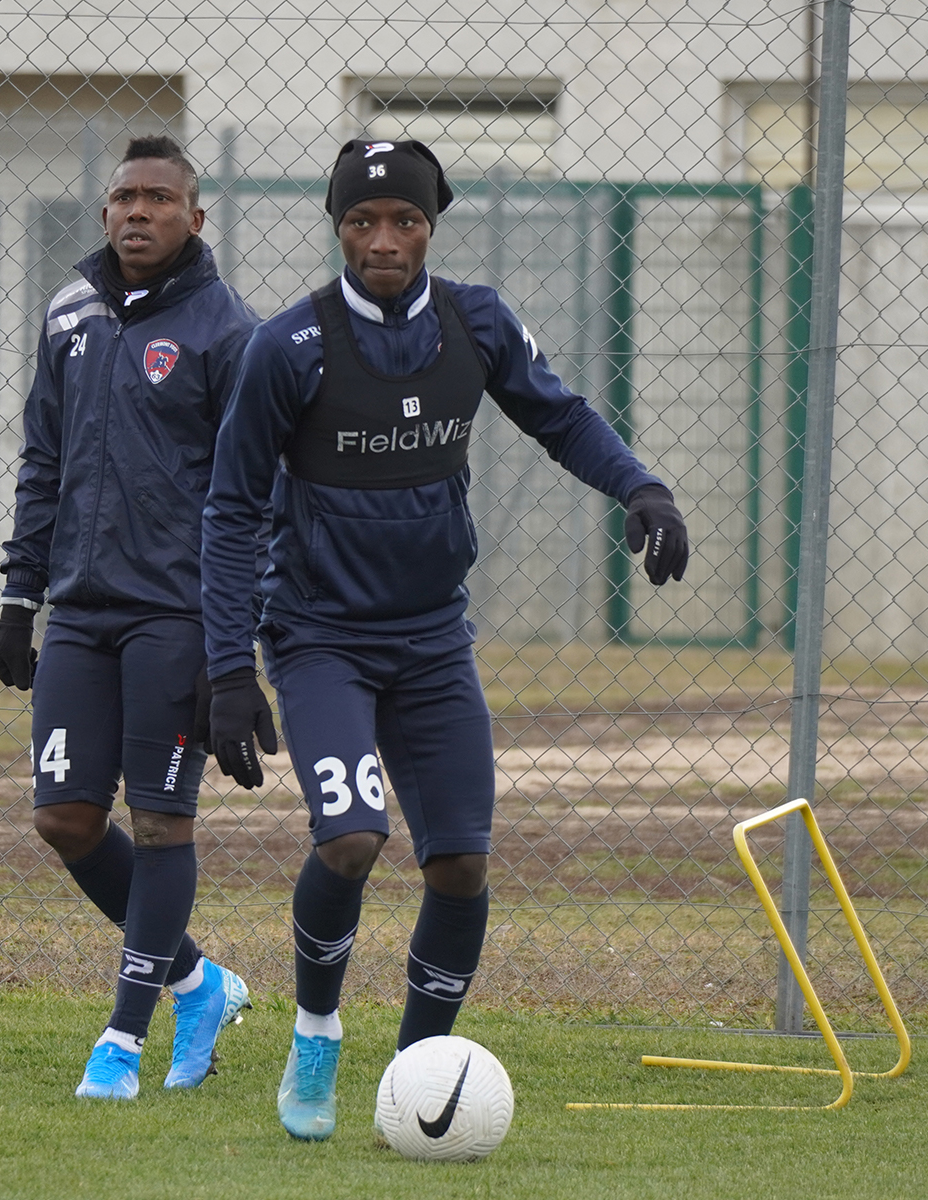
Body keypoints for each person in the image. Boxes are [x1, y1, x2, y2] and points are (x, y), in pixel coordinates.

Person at [199, 139, 690, 1140]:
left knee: (460, 868)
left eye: (404, 221)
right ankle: (317, 1032)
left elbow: (559, 419)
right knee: (351, 839)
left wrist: (641, 488)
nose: (383, 239)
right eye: (362, 221)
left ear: (431, 226)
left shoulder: (478, 322)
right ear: (338, 226)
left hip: (431, 641)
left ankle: (413, 1079)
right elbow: (231, 510)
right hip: (320, 639)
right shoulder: (288, 347)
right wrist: (227, 666)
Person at [0, 134, 260, 1101]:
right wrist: (19, 602)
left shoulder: (230, 332)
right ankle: (200, 980)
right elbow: (43, 462)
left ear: (195, 216)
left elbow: (254, 497)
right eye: (122, 197)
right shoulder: (69, 312)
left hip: (176, 618)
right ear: (104, 211)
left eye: (157, 198)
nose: (137, 212)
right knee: (62, 818)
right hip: (78, 613)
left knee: (159, 823)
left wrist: (233, 650)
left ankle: (122, 1040)